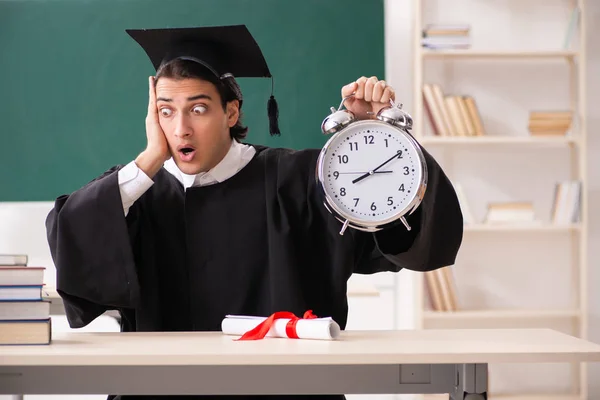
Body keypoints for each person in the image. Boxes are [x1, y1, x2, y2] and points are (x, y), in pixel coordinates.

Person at [45, 24, 463, 400]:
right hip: (164, 395)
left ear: (231, 112)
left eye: (198, 108)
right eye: (165, 111)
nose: (180, 129)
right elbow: (73, 244)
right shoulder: (137, 193)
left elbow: (407, 231)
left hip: (285, 396)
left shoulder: (301, 179)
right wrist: (149, 160)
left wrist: (377, 133)